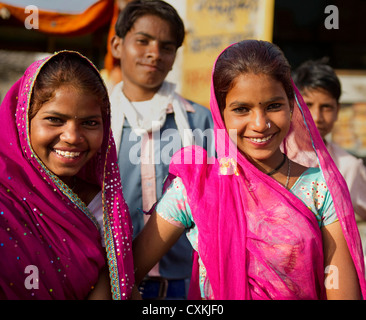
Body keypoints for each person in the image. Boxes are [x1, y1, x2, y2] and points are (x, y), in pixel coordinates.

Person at [132, 40, 366, 300]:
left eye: (273, 106)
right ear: (221, 114)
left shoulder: (321, 189)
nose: (260, 124)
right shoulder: (197, 186)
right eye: (242, 109)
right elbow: (123, 277)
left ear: (291, 105)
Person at [0, 51, 134, 299]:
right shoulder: (5, 201)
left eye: (90, 123)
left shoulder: (103, 207)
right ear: (22, 121)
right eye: (54, 120)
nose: (72, 137)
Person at [109, 0, 214, 299]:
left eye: (166, 47)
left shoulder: (200, 121)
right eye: (143, 41)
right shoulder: (96, 122)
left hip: (183, 285)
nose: (154, 53)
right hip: (109, 282)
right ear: (117, 45)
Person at [292, 60, 366, 220]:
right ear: (292, 106)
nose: (317, 117)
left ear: (337, 111)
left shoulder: (348, 166)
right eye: (307, 105)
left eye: (326, 107)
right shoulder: (271, 154)